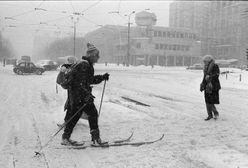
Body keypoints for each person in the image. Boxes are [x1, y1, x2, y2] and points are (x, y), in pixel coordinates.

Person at [61, 43, 109, 145]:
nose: (98, 58)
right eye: (97, 55)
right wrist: (87, 95)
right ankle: (95, 139)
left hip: (76, 96)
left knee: (75, 117)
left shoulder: (85, 64)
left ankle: (65, 138)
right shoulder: (84, 65)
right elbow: (80, 83)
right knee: (92, 114)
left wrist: (102, 77)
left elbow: (89, 80)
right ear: (92, 55)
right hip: (80, 97)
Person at [200, 55, 221, 121]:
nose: (204, 63)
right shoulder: (205, 67)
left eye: (205, 61)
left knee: (211, 101)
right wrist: (202, 84)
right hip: (207, 86)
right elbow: (204, 77)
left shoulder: (215, 66)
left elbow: (217, 74)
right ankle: (210, 115)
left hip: (213, 86)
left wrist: (210, 77)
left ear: (209, 61)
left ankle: (215, 113)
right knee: (207, 101)